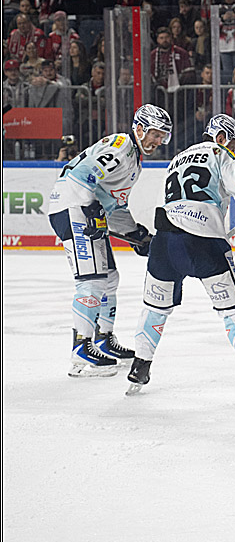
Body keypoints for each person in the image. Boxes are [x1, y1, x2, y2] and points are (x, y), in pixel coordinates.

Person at [126, 114, 235, 398]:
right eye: (233, 144)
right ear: (221, 138)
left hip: (164, 244)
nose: (234, 150)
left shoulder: (177, 158)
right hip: (203, 243)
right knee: (233, 310)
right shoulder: (221, 153)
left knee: (154, 309)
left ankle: (139, 367)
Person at [47, 105, 169, 377]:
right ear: (139, 128)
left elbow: (115, 207)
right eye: (155, 134)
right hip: (74, 207)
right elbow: (83, 174)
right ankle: (81, 352)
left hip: (86, 209)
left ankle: (103, 339)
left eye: (163, 136)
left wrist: (137, 235)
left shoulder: (134, 161)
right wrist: (89, 211)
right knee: (91, 280)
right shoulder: (122, 145)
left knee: (109, 278)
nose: (158, 141)